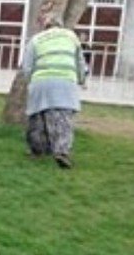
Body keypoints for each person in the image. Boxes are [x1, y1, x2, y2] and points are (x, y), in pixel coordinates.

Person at [20, 16, 88, 169]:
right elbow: (80, 62)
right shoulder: (71, 37)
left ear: (45, 26)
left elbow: (27, 67)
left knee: (37, 117)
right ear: (61, 25)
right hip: (65, 82)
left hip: (41, 82)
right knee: (63, 119)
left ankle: (37, 151)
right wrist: (82, 79)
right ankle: (62, 152)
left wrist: (31, 81)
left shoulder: (36, 39)